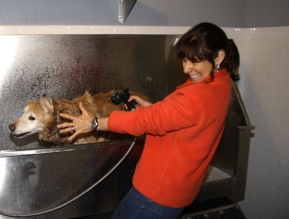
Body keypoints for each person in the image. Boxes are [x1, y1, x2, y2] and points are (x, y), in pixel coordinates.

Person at [57, 22, 240, 219]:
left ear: (219, 56)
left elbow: (142, 122)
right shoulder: (220, 85)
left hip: (157, 193)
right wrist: (154, 108)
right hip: (181, 188)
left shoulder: (196, 97)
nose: (187, 69)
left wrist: (93, 123)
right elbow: (184, 118)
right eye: (185, 61)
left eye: (194, 62)